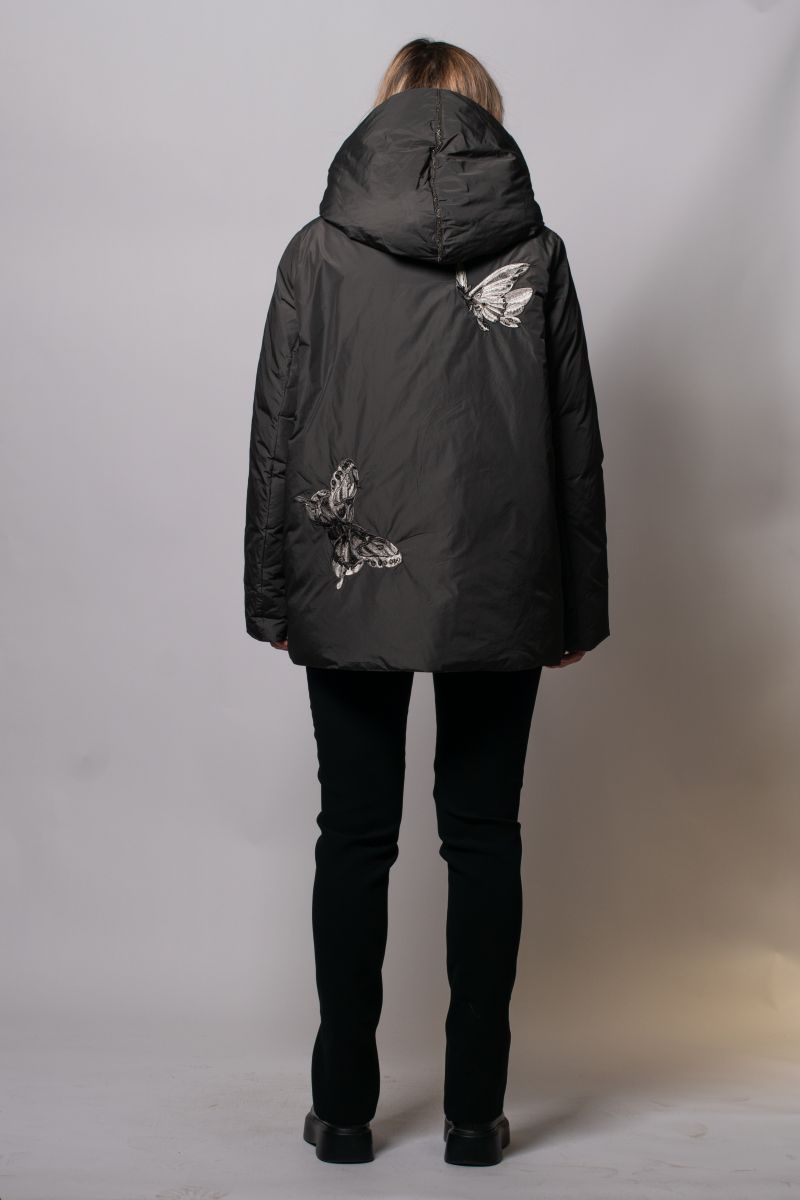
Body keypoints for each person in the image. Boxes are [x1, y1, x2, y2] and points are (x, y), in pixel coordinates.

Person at [243, 37, 609, 1167]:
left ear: (384, 113)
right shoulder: (535, 251)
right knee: (482, 836)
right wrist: (575, 608)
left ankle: (343, 1111)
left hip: (348, 573)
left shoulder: (316, 251)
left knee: (352, 837)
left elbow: (276, 434)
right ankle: (473, 1118)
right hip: (501, 577)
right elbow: (573, 440)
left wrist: (273, 597)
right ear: (484, 116)